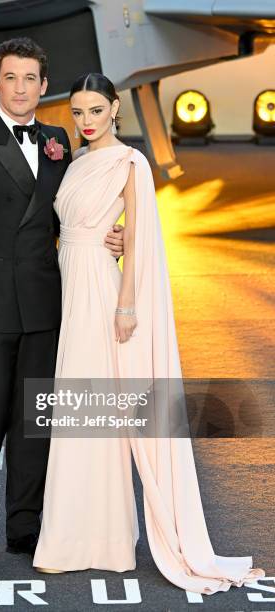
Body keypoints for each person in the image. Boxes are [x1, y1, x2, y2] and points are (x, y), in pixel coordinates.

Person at [32, 73, 266, 595]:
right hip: (70, 287)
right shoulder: (74, 161)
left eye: (96, 110)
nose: (87, 120)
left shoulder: (130, 161)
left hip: (101, 294)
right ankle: (90, 539)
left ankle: (93, 542)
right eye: (79, 112)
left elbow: (135, 238)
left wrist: (127, 304)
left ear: (116, 108)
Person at [0, 39, 124, 576]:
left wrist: (117, 235)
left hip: (46, 306)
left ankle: (25, 527)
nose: (20, 88)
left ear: (44, 87)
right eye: (10, 77)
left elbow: (76, 213)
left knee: (32, 425)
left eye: (30, 78)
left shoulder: (60, 139)